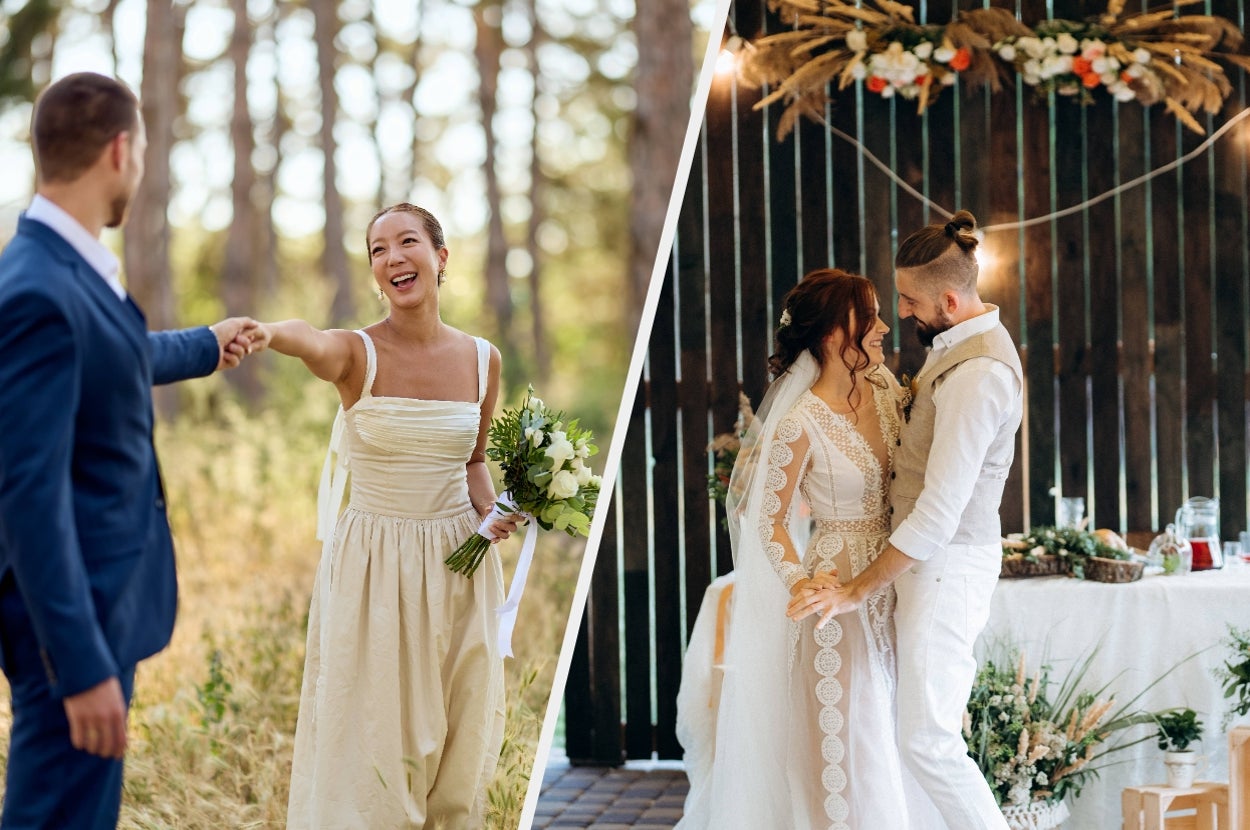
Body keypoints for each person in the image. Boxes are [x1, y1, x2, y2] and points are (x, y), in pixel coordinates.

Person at [0, 72, 257, 829]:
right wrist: (79, 666)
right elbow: (29, 496)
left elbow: (110, 355)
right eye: (141, 152)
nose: (139, 169)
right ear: (120, 150)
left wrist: (205, 345)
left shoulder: (62, 268)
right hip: (71, 626)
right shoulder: (37, 289)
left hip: (97, 611)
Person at [249, 203, 520, 828]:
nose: (393, 257)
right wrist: (266, 332)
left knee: (456, 731)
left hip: (462, 564)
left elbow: (474, 461)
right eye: (378, 250)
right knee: (376, 736)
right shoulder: (356, 353)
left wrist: (496, 510)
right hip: (375, 567)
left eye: (407, 242)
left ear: (440, 257)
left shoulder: (484, 358)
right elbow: (310, 338)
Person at [789, 210, 1024, 830]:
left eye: (910, 301)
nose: (900, 315)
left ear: (948, 300)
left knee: (929, 741)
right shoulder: (956, 353)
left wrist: (856, 589)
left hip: (945, 567)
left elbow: (939, 512)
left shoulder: (979, 375)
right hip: (929, 568)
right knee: (913, 733)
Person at [676, 269, 910, 829]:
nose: (883, 327)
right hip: (835, 591)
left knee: (902, 728)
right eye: (869, 317)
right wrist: (802, 582)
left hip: (901, 574)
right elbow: (766, 519)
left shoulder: (887, 390)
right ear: (832, 334)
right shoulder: (800, 422)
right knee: (851, 738)